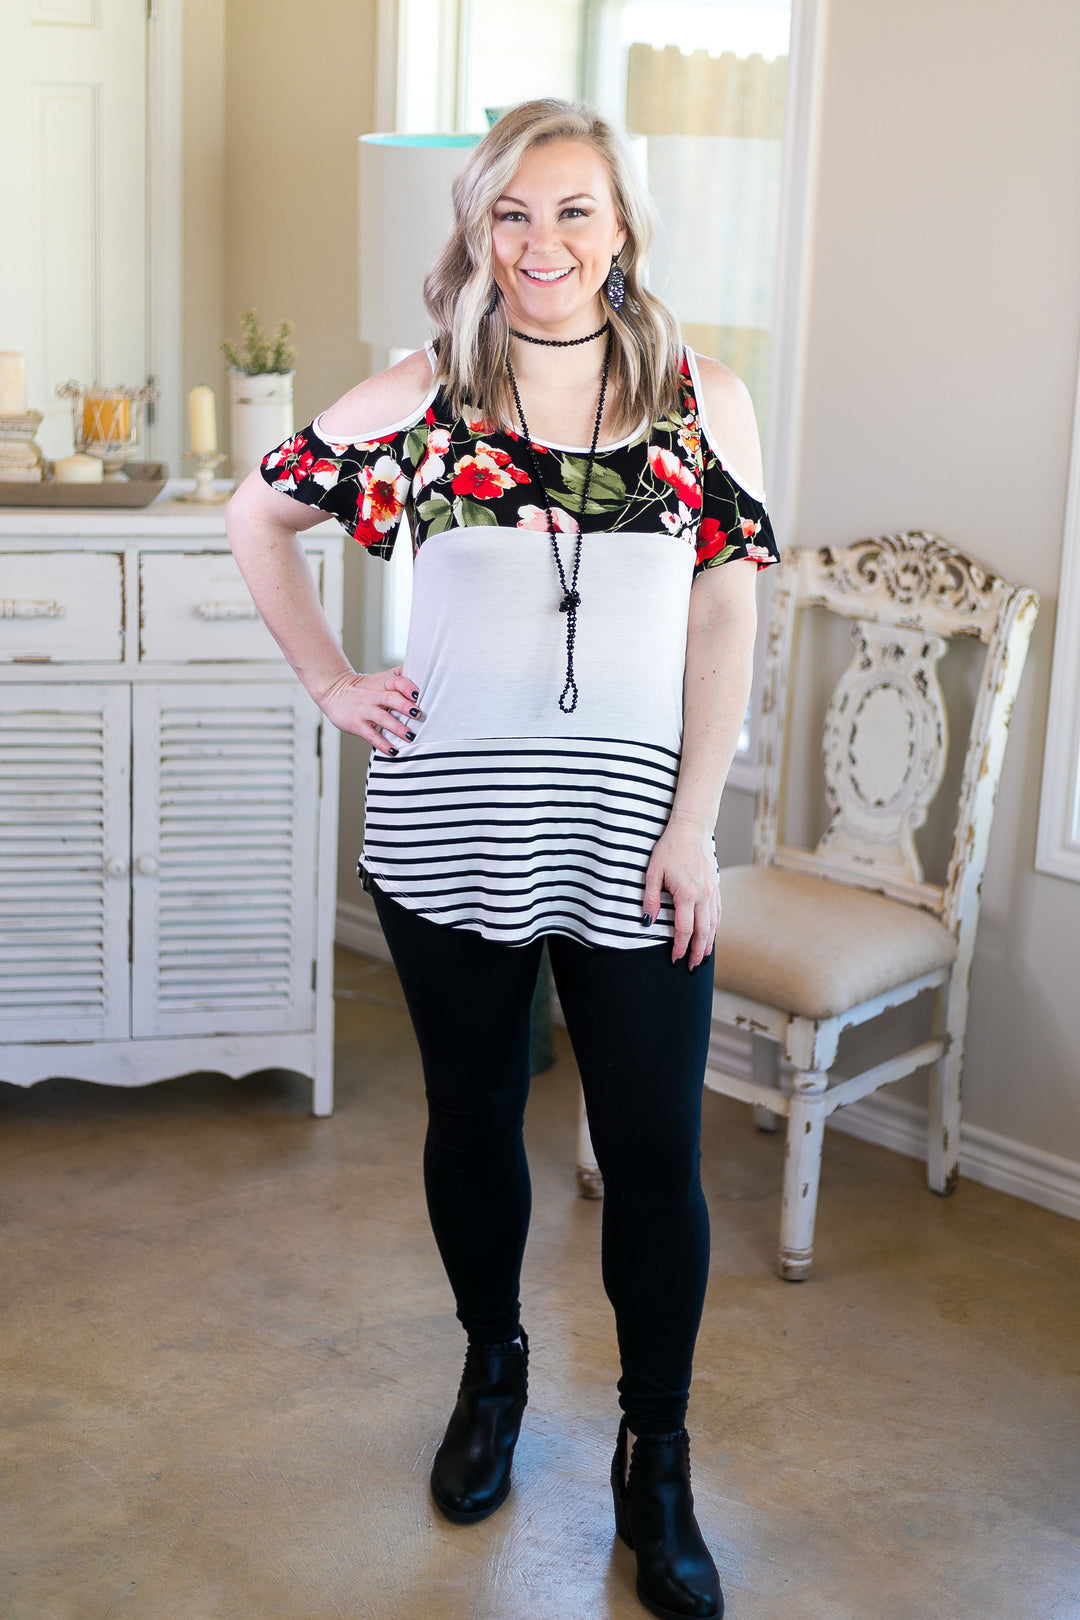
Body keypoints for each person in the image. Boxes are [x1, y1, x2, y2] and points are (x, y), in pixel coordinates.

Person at [226, 97, 778, 1620]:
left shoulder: (699, 397)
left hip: (635, 838)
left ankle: (653, 1462)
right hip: (448, 822)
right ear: (477, 228)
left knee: (656, 1153)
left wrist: (698, 825)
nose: (543, 245)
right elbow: (252, 518)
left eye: (575, 211)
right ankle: (493, 1376)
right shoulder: (418, 398)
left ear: (622, 227)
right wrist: (337, 683)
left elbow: (727, 615)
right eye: (513, 214)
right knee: (473, 1120)